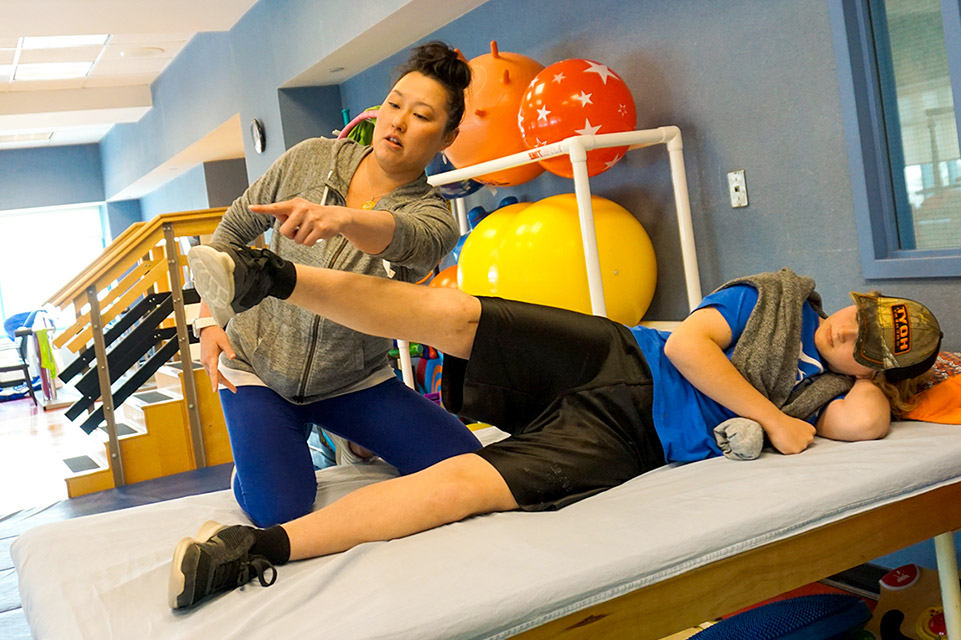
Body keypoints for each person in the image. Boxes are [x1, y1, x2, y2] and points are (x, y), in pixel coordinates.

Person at [171, 244, 943, 609]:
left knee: (473, 484)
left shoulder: (846, 393)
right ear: (855, 298)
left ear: (874, 369)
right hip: (616, 351)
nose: (848, 336)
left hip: (632, 433)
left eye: (867, 349)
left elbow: (866, 426)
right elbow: (685, 345)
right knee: (454, 313)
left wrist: (897, 379)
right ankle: (272, 277)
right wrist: (773, 418)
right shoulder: (779, 294)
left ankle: (251, 551)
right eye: (860, 320)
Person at [190, 41, 481, 529]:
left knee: (466, 466)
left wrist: (341, 218)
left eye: (422, 116)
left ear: (447, 137)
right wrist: (206, 319)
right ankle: (266, 448)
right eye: (394, 105)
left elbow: (405, 238)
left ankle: (347, 439)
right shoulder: (309, 159)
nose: (398, 123)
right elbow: (232, 230)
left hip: (352, 382)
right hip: (257, 368)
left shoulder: (433, 215)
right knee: (279, 510)